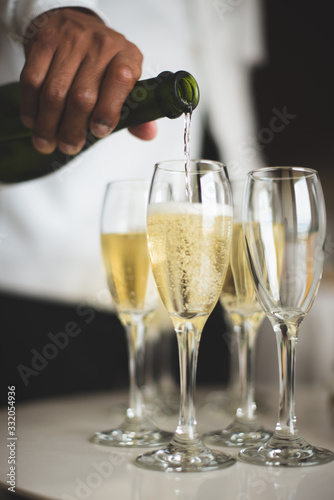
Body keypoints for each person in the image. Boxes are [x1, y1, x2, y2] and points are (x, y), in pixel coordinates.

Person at [0, 0, 265, 400]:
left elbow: (227, 69)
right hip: (45, 281)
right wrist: (49, 10)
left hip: (201, 266)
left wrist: (252, 194)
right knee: (40, 449)